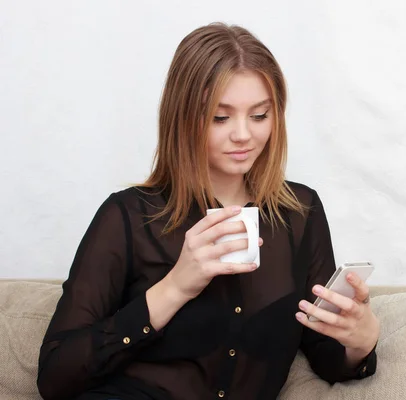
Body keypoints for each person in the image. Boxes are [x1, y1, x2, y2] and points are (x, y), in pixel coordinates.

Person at [37, 22, 380, 400]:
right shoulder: (129, 216)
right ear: (183, 118)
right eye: (221, 117)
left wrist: (360, 341)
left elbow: (326, 355)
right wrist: (176, 286)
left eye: (259, 115)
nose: (243, 135)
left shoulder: (299, 214)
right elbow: (56, 376)